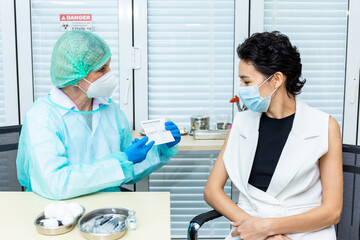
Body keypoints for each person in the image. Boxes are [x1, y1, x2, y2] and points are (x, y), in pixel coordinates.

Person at [204, 31, 343, 240]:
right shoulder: (241, 123)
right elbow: (212, 191)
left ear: (276, 79)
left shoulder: (325, 126)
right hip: (250, 228)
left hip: (304, 232)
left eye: (247, 82)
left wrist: (268, 228)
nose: (241, 89)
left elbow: (332, 211)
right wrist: (259, 230)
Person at [16, 30, 181, 200]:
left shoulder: (111, 110)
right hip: (58, 215)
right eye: (102, 69)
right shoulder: (41, 117)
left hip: (108, 210)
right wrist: (122, 161)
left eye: (109, 66)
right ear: (75, 75)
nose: (110, 74)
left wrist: (160, 149)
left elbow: (126, 170)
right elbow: (56, 183)